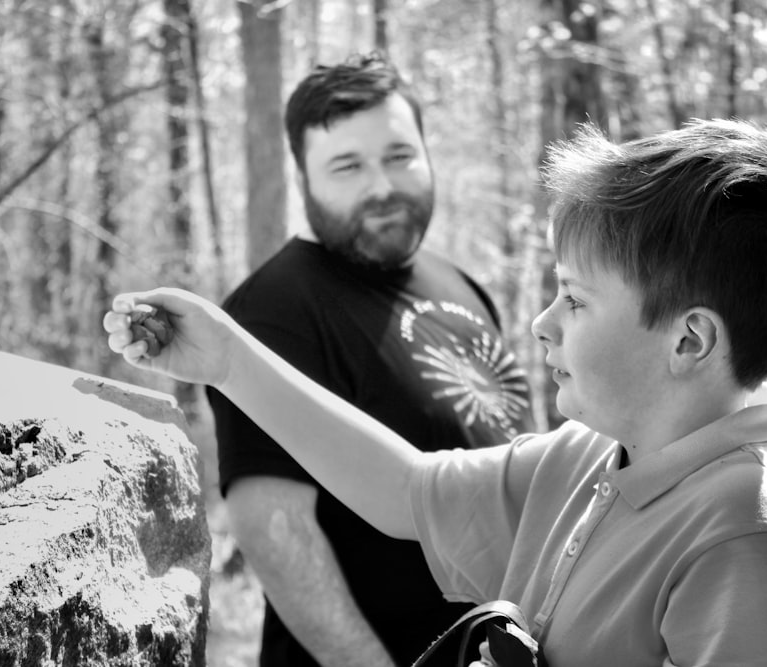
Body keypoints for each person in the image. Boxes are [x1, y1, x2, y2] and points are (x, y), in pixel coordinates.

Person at [105, 118, 767, 666]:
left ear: (689, 341)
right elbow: (404, 487)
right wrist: (231, 361)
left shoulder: (750, 541)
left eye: (576, 300)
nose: (542, 322)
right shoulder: (586, 458)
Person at [202, 53, 533, 667]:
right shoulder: (275, 309)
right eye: (347, 166)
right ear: (304, 177)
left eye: (399, 156)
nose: (382, 186)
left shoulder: (459, 284)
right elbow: (273, 528)